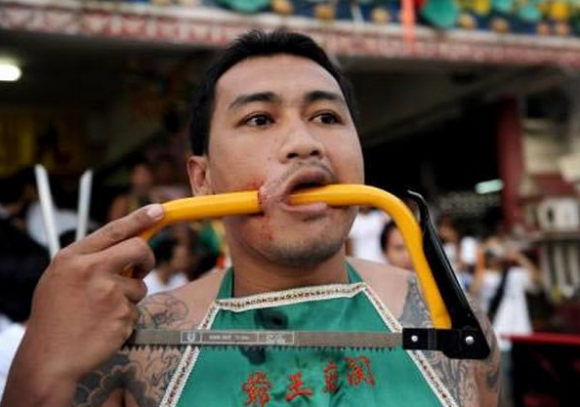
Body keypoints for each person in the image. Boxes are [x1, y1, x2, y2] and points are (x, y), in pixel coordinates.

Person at [1, 31, 500, 407]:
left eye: (327, 117)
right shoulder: (131, 340)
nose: (304, 143)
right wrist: (41, 364)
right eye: (259, 119)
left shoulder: (453, 322)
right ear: (202, 179)